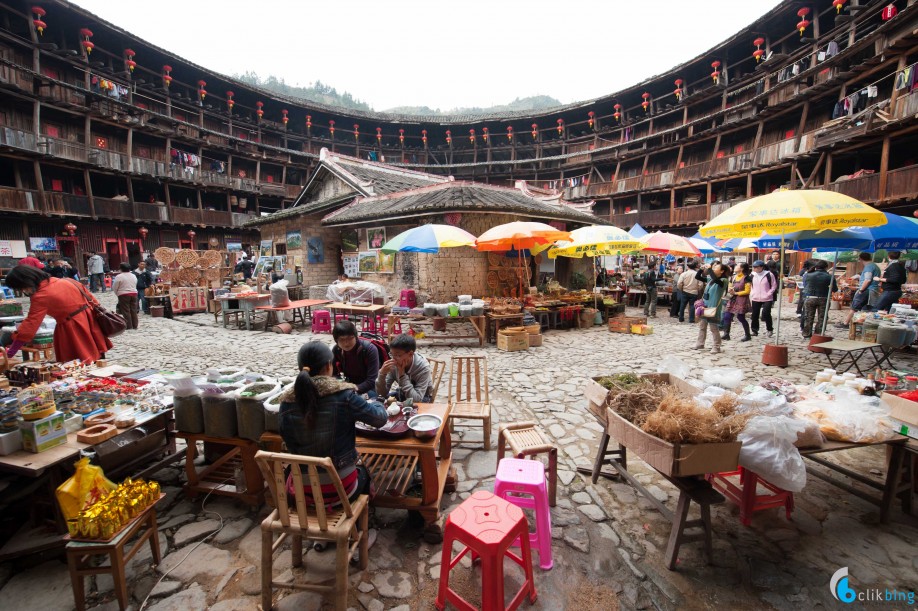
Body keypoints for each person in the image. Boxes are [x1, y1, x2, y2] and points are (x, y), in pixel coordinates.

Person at [278, 342, 387, 507]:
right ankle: (357, 525)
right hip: (341, 489)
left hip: (303, 490)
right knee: (365, 473)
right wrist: (378, 402)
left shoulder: (286, 402)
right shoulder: (344, 395)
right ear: (329, 366)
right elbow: (379, 420)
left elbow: (286, 437)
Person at [3, 265, 111, 361]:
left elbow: (31, 324)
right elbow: (93, 301)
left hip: (72, 328)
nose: (23, 291)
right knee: (97, 358)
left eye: (21, 288)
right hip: (90, 321)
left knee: (79, 362)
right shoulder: (68, 281)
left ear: (25, 283)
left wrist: (12, 350)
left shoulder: (41, 295)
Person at [375, 333, 432, 402]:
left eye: (397, 355)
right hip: (403, 392)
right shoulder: (394, 363)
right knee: (379, 400)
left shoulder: (423, 367)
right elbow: (382, 394)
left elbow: (417, 400)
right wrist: (382, 374)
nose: (394, 358)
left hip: (422, 396)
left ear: (410, 354)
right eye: (392, 354)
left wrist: (402, 376)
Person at [332, 320, 380, 397]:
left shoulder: (369, 349)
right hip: (349, 385)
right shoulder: (337, 350)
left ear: (356, 336)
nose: (346, 343)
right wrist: (341, 384)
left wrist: (351, 389)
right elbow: (333, 374)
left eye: (349, 338)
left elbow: (372, 380)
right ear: (336, 340)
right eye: (342, 340)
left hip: (370, 388)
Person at [838, 252, 882, 329]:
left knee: (854, 307)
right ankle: (865, 325)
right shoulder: (875, 266)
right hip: (873, 290)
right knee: (867, 309)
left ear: (860, 258)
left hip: (867, 289)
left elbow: (867, 280)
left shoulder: (869, 267)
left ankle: (846, 323)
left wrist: (861, 290)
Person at [695, 262, 729, 354]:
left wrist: (709, 269)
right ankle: (700, 343)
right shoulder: (711, 279)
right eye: (713, 267)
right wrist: (701, 269)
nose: (713, 268)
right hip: (704, 306)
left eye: (715, 267)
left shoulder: (724, 280)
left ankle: (716, 346)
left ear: (722, 271)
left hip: (713, 307)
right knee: (702, 326)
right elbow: (698, 277)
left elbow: (715, 279)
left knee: (713, 328)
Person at [802, 260, 837, 338]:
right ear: (826, 267)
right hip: (824, 298)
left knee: (808, 316)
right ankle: (818, 334)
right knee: (822, 317)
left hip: (810, 298)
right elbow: (835, 289)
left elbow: (805, 285)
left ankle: (806, 333)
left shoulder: (807, 275)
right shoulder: (830, 277)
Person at [722, 262, 753, 342]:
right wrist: (730, 289)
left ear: (741, 268)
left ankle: (747, 335)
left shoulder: (747, 278)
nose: (735, 267)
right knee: (727, 315)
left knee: (741, 317)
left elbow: (747, 291)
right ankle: (726, 334)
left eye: (737, 266)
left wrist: (736, 293)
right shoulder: (733, 277)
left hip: (741, 299)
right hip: (733, 298)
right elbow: (729, 285)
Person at [749, 260, 777, 338]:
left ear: (762, 267)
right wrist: (752, 293)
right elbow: (750, 285)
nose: (755, 269)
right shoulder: (752, 275)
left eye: (757, 267)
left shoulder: (769, 274)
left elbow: (774, 285)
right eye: (754, 267)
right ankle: (754, 330)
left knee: (766, 313)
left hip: (767, 297)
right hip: (756, 297)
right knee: (755, 314)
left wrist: (769, 293)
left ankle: (769, 329)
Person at [112, 262, 138, 330]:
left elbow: (115, 287)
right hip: (134, 293)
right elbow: (135, 283)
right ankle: (135, 325)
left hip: (123, 294)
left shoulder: (119, 276)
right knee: (133, 310)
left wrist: (117, 293)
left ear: (121, 269)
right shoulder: (133, 275)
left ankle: (129, 326)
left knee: (126, 310)